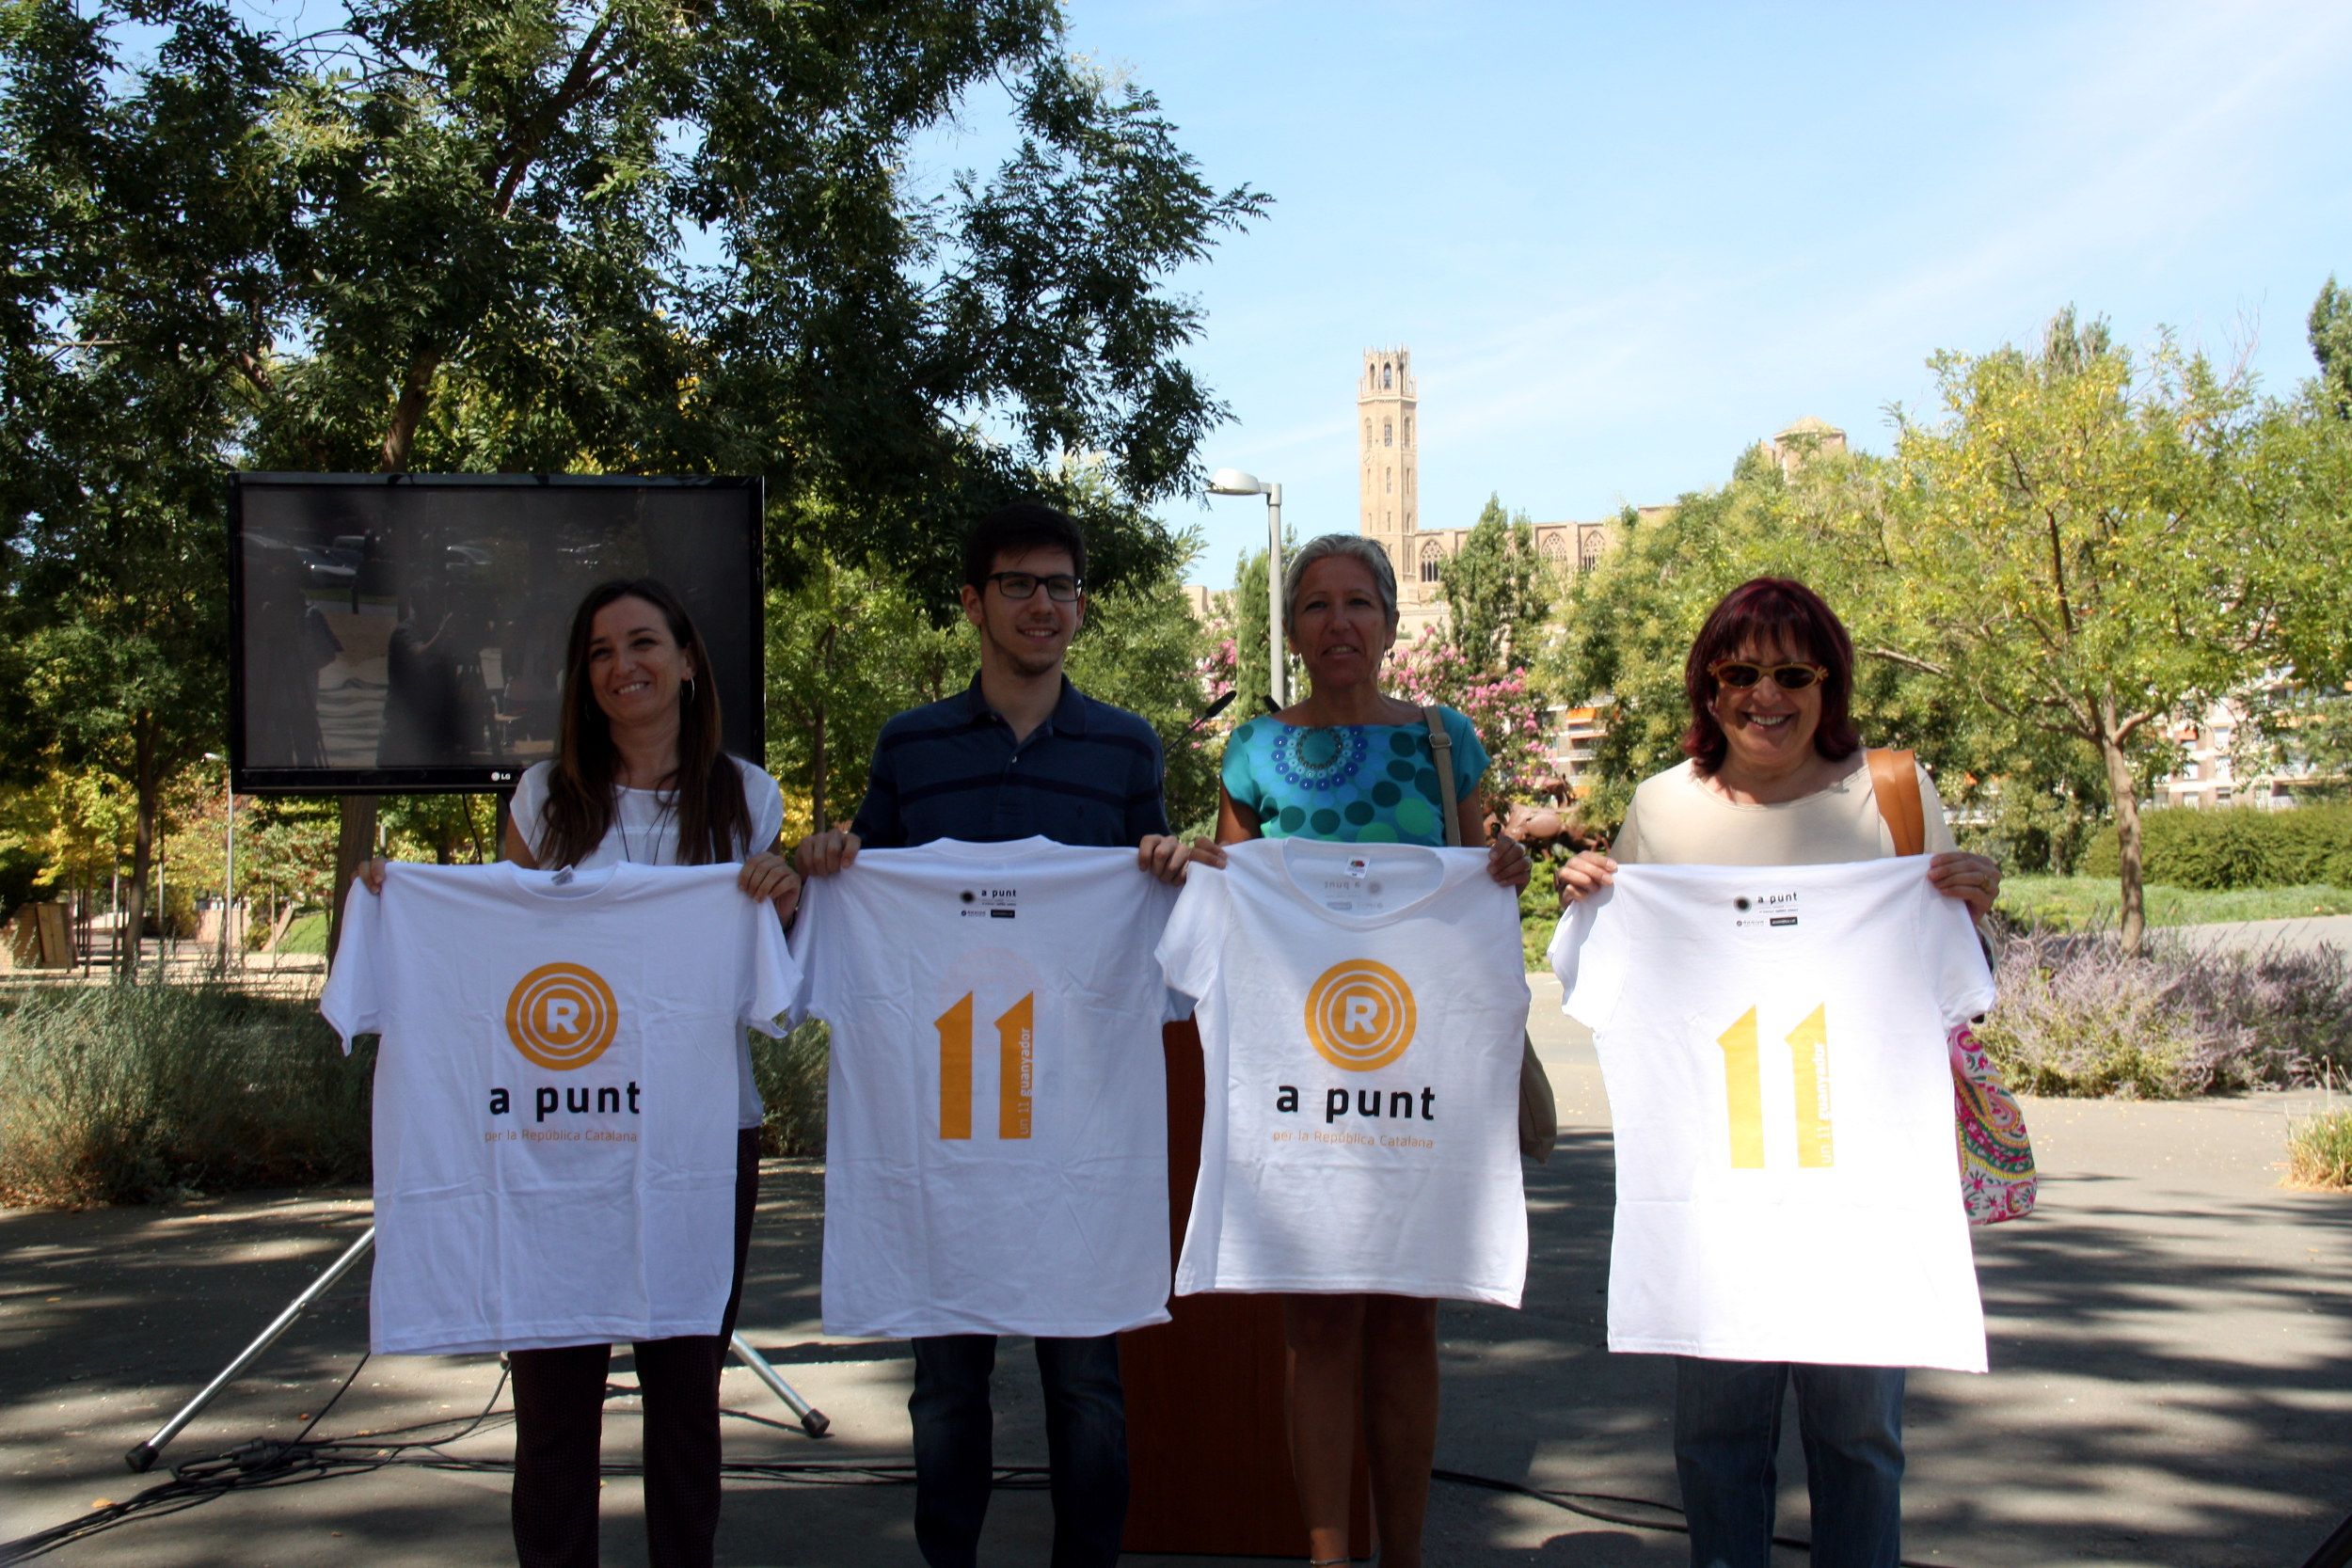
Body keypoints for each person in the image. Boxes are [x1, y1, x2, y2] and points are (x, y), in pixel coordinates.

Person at [1554, 576, 1998, 1568]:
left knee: (1857, 1437)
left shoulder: (1890, 792)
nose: (1767, 694)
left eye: (1793, 671)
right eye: (1739, 672)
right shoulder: (1662, 810)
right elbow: (1619, 972)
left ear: (1828, 684)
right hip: (1716, 1198)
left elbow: (1955, 980)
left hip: (1860, 1189)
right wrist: (1587, 897)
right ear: (1706, 691)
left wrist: (1970, 903)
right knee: (1717, 1442)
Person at [363, 577, 800, 1568]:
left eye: (643, 642)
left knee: (685, 1398)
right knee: (553, 1408)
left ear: (688, 659)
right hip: (560, 1134)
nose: (621, 666)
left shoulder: (748, 795)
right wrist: (408, 899)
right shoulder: (540, 795)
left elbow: (756, 973)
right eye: (599, 652)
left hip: (696, 1133)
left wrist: (781, 896)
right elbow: (503, 945)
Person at [794, 499, 1192, 1568]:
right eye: (1018, 583)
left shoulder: (1123, 746)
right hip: (944, 1132)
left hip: (1076, 1133)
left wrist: (1162, 867)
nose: (1042, 604)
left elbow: (1154, 908)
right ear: (972, 602)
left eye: (1060, 585)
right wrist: (833, 858)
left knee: (1087, 1381)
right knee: (947, 1383)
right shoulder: (911, 744)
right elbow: (867, 884)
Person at [1201, 532, 1532, 1568]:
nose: (1336, 621)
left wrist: (1507, 862)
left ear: (1391, 622)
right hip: (1302, 1068)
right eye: (1313, 604)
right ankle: (1328, 1555)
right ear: (1290, 627)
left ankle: (1406, 1555)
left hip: (1417, 1062)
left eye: (1357, 602)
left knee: (1404, 1319)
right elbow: (1235, 903)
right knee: (1319, 1324)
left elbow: (1479, 880)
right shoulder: (1253, 751)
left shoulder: (1446, 740)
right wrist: (1191, 868)